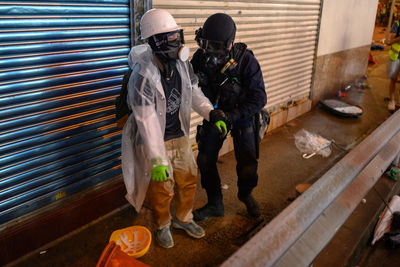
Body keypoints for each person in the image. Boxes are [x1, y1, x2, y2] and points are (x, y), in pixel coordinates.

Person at [121, 9, 227, 248]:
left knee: (188, 178)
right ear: (154, 42)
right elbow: (146, 120)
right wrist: (157, 160)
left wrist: (211, 112)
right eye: (169, 38)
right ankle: (162, 225)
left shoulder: (182, 64)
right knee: (162, 188)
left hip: (177, 133)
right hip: (154, 139)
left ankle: (182, 218)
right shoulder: (142, 76)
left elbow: (194, 91)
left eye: (176, 36)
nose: (176, 43)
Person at [190, 13, 267, 221]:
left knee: (248, 161)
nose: (212, 53)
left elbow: (259, 98)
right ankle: (215, 203)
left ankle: (246, 194)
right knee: (205, 159)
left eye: (218, 47)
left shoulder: (246, 61)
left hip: (241, 114)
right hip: (215, 115)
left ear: (230, 44)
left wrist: (233, 115)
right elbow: (189, 86)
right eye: (208, 45)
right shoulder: (199, 58)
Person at [387, 19, 400, 111]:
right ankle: (392, 101)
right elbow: (390, 41)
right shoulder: (397, 24)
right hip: (396, 56)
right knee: (393, 79)